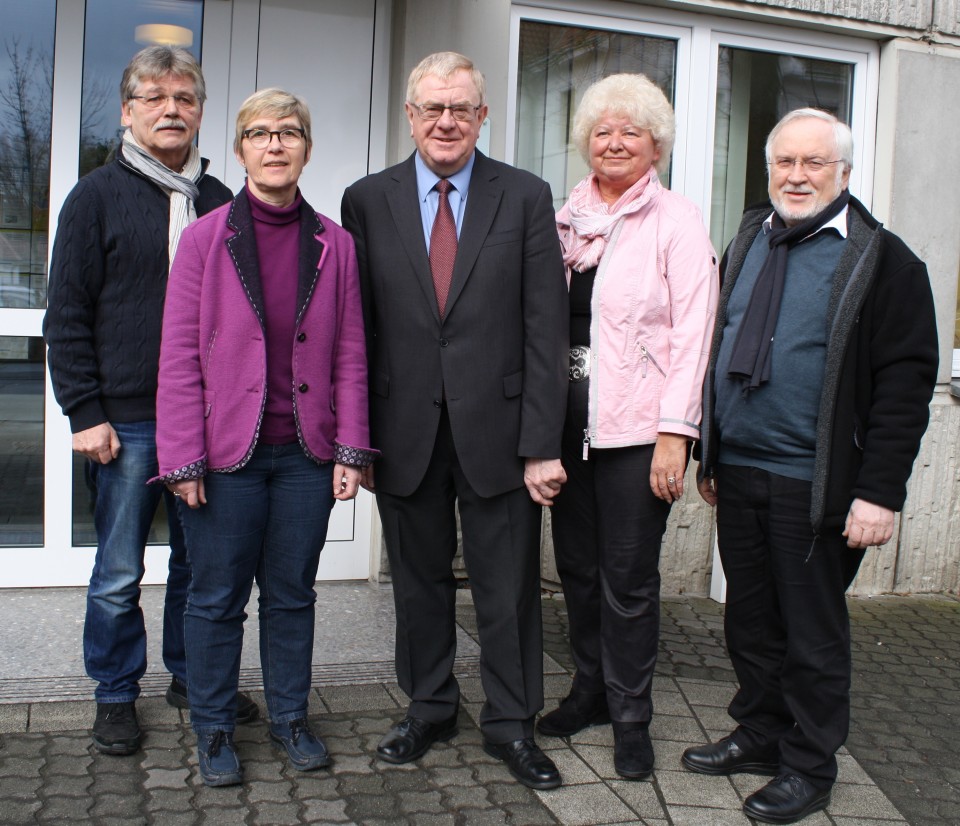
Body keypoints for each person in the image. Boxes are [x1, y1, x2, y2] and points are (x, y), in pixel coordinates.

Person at [682, 109, 938, 824]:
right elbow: (723, 347)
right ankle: (761, 735)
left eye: (814, 164)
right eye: (785, 162)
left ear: (845, 173)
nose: (796, 176)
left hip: (814, 483)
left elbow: (903, 388)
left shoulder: (885, 261)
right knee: (751, 622)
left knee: (811, 633)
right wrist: (713, 451)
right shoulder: (748, 238)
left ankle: (810, 765)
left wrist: (879, 493)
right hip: (741, 471)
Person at [340, 52, 568, 790]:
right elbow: (358, 328)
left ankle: (512, 722)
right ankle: (430, 706)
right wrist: (359, 437)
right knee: (418, 585)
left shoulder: (526, 196)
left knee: (508, 590)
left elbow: (545, 328)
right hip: (403, 430)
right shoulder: (366, 200)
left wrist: (541, 443)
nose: (446, 121)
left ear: (482, 115)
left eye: (460, 108)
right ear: (410, 116)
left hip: (501, 435)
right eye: (432, 108)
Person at [153, 88, 375, 787]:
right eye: (259, 133)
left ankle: (288, 717)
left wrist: (352, 449)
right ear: (243, 147)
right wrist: (181, 457)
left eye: (289, 132)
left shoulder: (335, 245)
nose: (275, 144)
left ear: (306, 148)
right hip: (226, 459)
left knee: (292, 595)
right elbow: (180, 355)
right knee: (216, 598)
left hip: (306, 457)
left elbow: (349, 352)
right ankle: (214, 727)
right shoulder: (203, 238)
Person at [43, 45, 259, 756]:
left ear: (200, 111)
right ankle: (113, 695)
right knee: (118, 572)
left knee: (202, 566)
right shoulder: (94, 197)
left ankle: (194, 677)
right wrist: (85, 412)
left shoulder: (223, 203)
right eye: (156, 97)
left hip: (207, 422)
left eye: (186, 98)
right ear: (130, 110)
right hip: (127, 421)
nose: (172, 109)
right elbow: (66, 313)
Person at [537, 74, 718, 780]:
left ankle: (632, 713)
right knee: (577, 571)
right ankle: (590, 689)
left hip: (639, 432)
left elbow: (694, 331)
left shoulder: (676, 220)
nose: (614, 142)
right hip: (567, 428)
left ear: (655, 146)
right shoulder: (564, 218)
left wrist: (677, 432)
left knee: (628, 579)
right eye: (603, 130)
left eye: (630, 132)